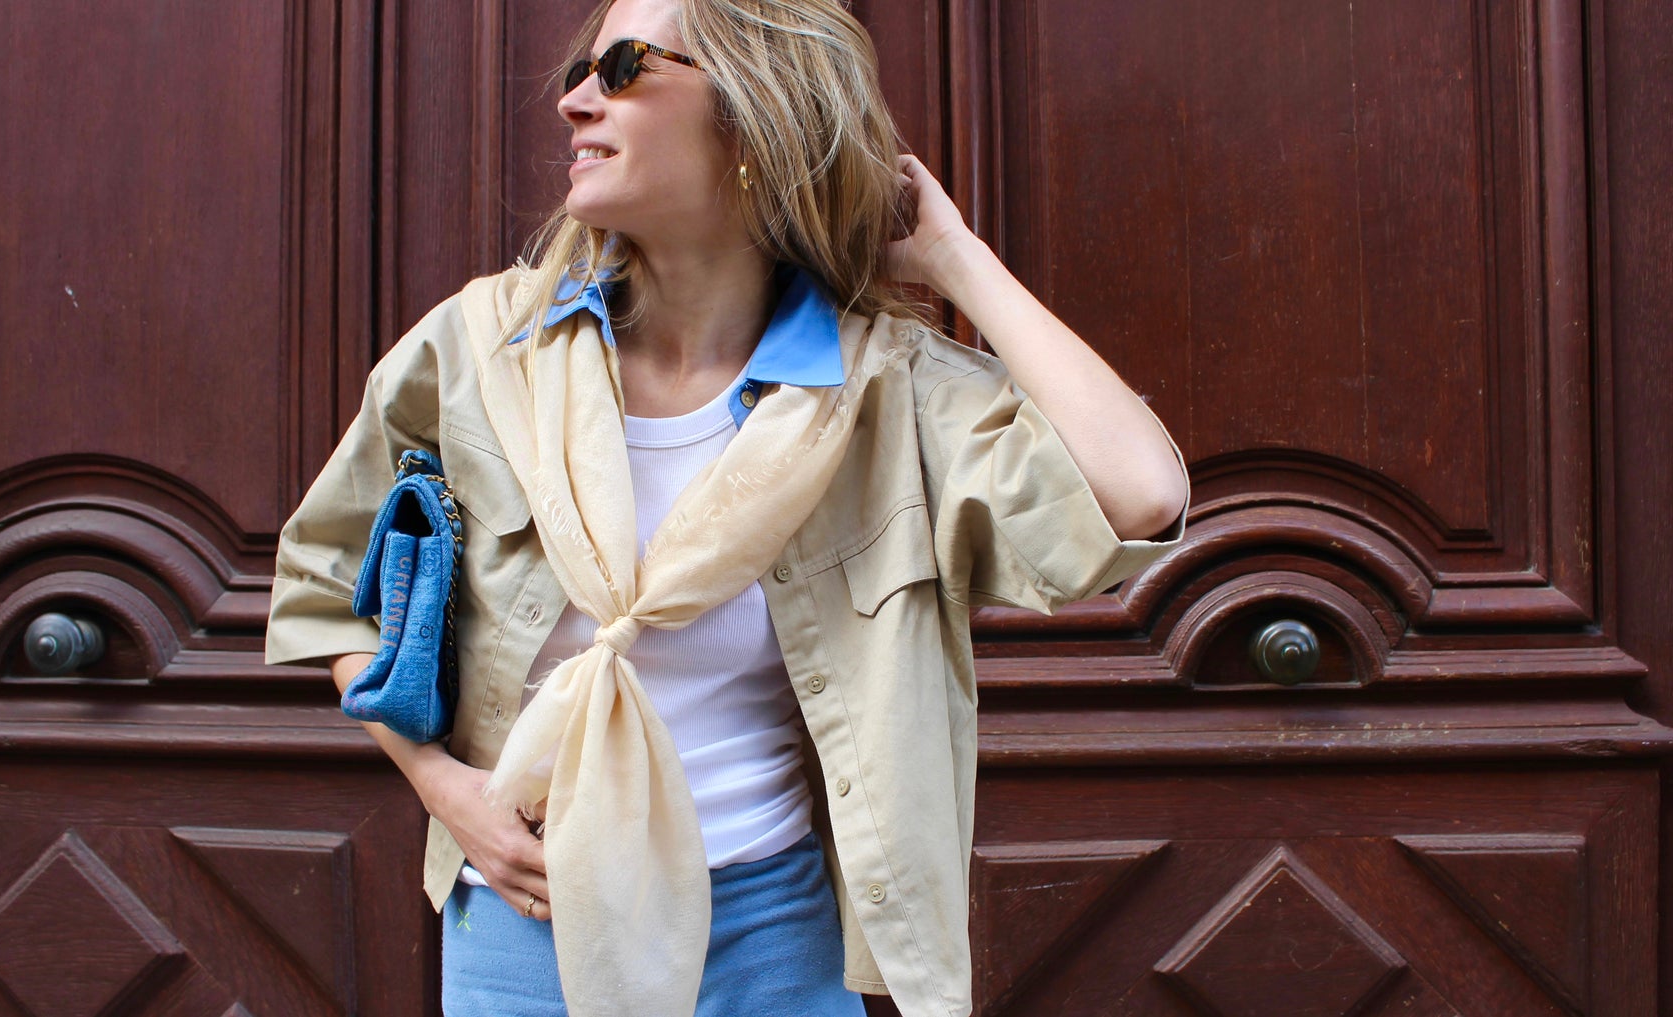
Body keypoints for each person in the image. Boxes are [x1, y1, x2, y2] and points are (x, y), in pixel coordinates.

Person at [264, 0, 1189, 1014]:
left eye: (623, 67)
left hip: (770, 942)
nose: (575, 101)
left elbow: (1139, 493)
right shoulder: (483, 350)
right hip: (526, 928)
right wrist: (445, 789)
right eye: (580, 72)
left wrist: (954, 257)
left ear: (756, 110)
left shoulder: (883, 393)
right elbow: (324, 583)